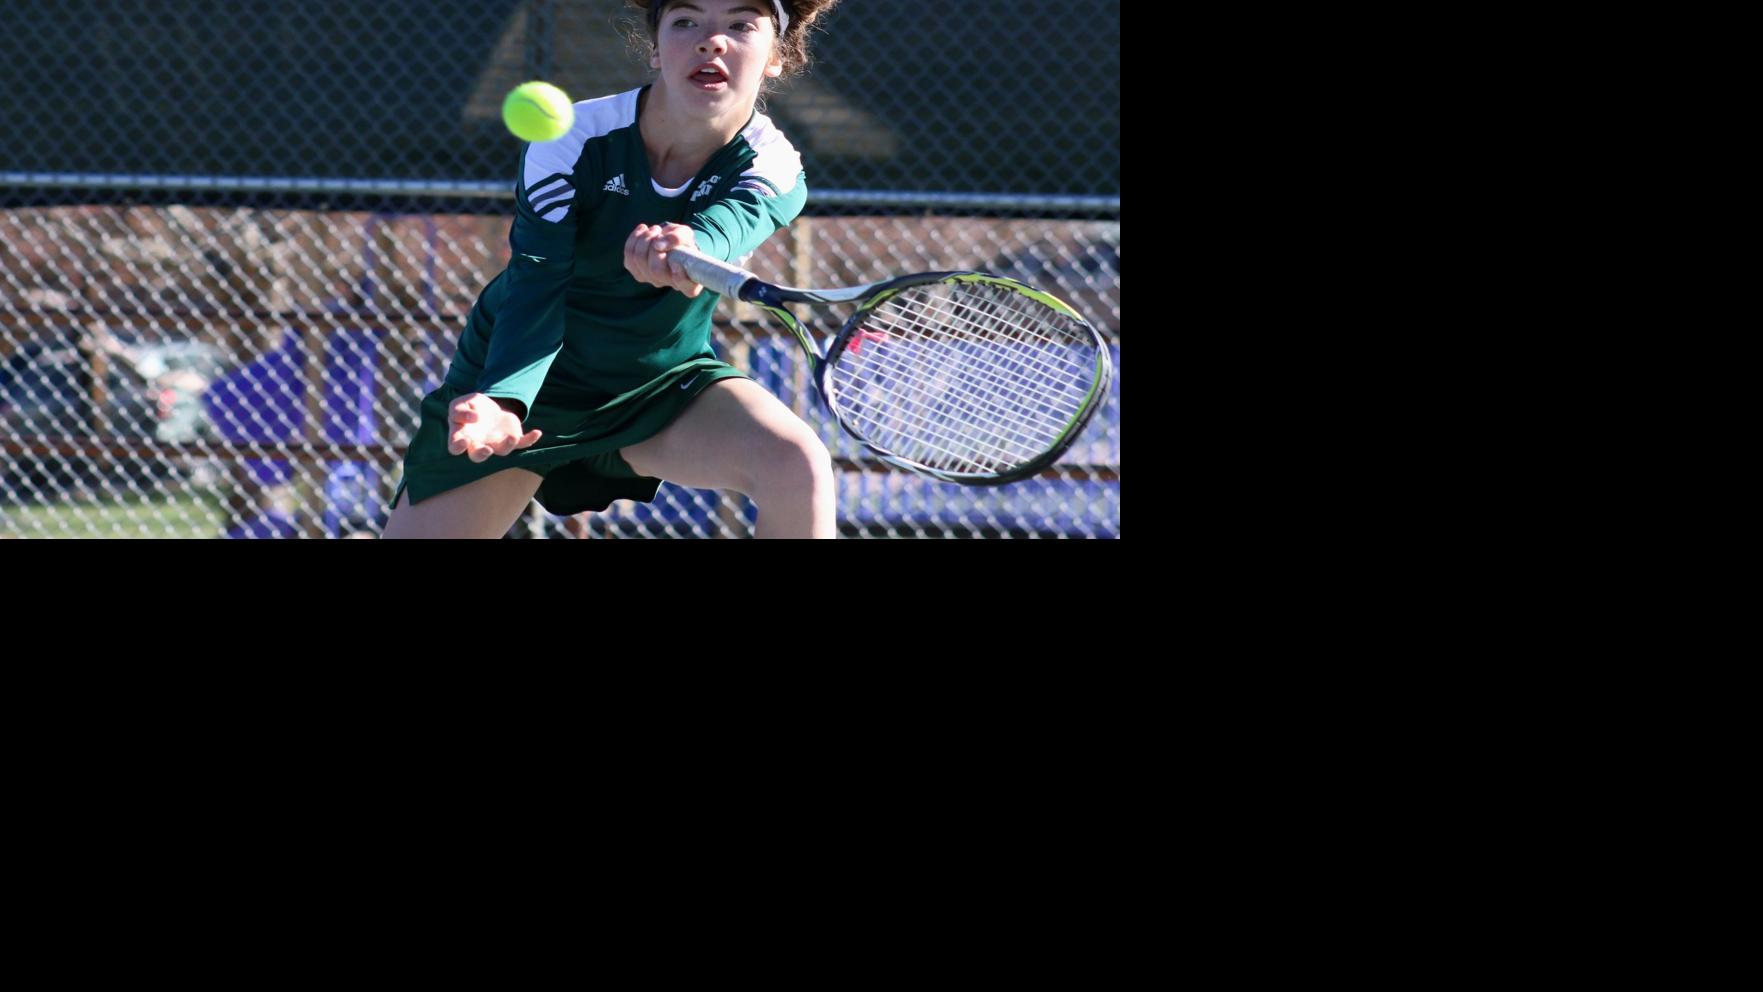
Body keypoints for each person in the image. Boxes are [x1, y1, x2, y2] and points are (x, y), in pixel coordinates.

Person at [382, 0, 842, 539]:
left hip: (655, 388)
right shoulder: (571, 137)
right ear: (655, 48)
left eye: (741, 24)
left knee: (798, 462)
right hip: (518, 380)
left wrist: (693, 245)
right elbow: (536, 280)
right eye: (686, 21)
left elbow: (732, 224)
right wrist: (505, 400)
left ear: (776, 56)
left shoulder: (775, 164)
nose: (711, 41)